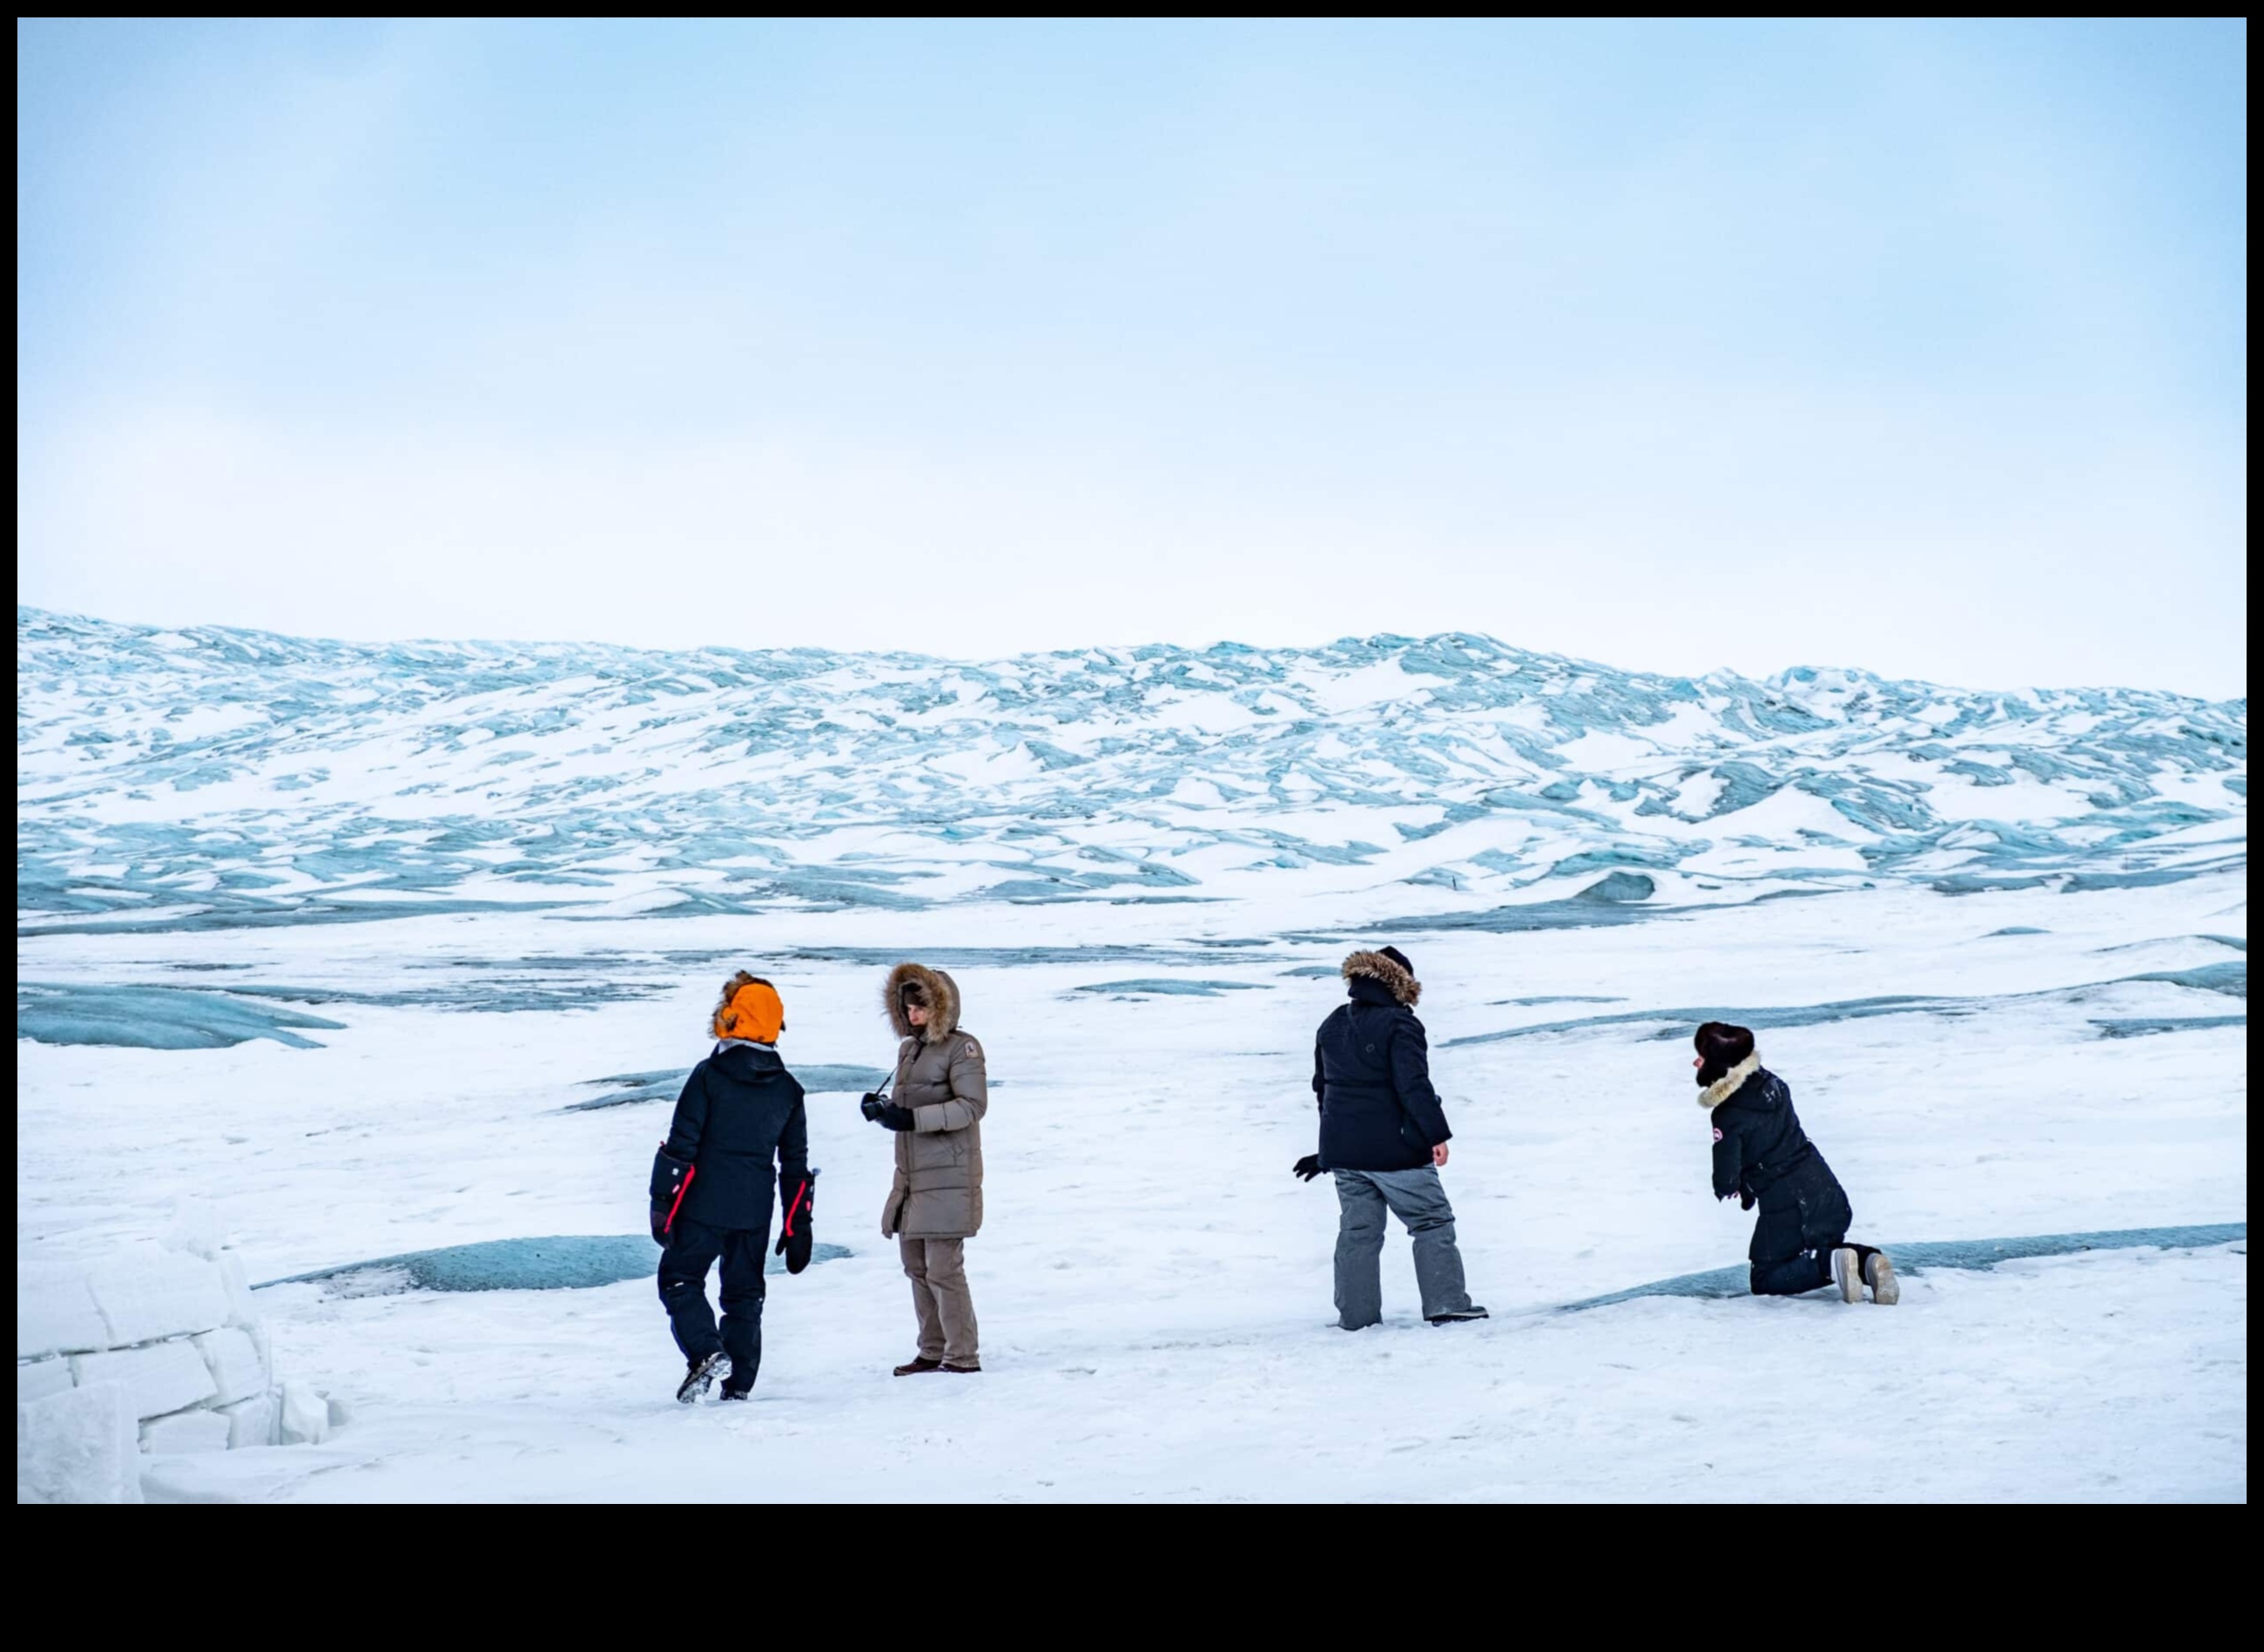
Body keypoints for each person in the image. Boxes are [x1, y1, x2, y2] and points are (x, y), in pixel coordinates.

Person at [1294, 946, 1486, 1329]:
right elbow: (1413, 1085)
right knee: (1431, 1221)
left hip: (1347, 1152)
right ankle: (1446, 1303)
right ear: (1401, 984)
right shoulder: (1400, 1023)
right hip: (1397, 1151)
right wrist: (1436, 1134)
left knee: (1358, 1232)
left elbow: (1324, 1089)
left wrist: (1329, 1150)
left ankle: (1356, 1317)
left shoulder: (1332, 1023)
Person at [650, 972, 816, 1403]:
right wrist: (798, 1225)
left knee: (680, 1278)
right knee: (744, 1294)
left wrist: (661, 1202)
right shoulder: (788, 1090)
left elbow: (681, 1144)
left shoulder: (708, 1075)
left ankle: (706, 1351)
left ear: (730, 1019)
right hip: (754, 1209)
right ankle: (738, 1384)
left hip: (703, 1204)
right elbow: (794, 1166)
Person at [1695, 1021, 1897, 1304]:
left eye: (1702, 1057)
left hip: (1789, 1204)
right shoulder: (1773, 1085)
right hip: (1825, 1188)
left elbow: (1726, 1178)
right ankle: (1869, 1262)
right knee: (1821, 1247)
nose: (1696, 1062)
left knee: (1765, 1276)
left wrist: (1731, 1187)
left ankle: (1829, 1265)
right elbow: (1769, 1142)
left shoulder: (1728, 1114)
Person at [861, 963, 988, 1374]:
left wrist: (912, 1120)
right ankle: (933, 1349)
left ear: (941, 1008)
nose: (912, 1015)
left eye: (920, 1008)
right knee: (916, 1266)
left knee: (943, 1269)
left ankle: (962, 1355)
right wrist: (884, 1112)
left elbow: (972, 1107)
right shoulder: (909, 1051)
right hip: (913, 1175)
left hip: (949, 1175)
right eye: (907, 1008)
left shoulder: (963, 1048)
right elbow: (909, 1108)